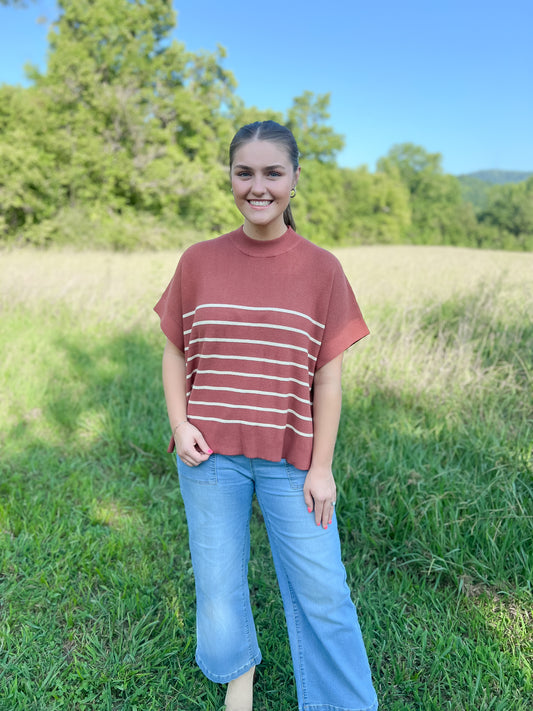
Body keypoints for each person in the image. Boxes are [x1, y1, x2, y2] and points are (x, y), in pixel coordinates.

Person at [154, 120, 378, 711]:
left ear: (295, 179)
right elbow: (175, 351)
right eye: (244, 172)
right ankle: (238, 680)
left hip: (291, 460)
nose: (258, 186)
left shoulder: (322, 269)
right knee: (219, 583)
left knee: (324, 593)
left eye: (272, 173)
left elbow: (327, 376)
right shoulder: (198, 260)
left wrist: (322, 467)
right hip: (208, 456)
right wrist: (181, 425)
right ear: (230, 177)